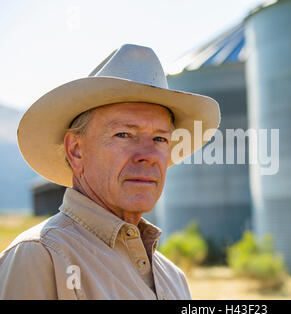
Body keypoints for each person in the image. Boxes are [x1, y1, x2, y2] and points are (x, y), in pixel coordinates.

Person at [0, 44, 220, 299]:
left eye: (160, 139)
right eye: (124, 134)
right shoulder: (40, 257)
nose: (148, 156)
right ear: (76, 151)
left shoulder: (173, 278)